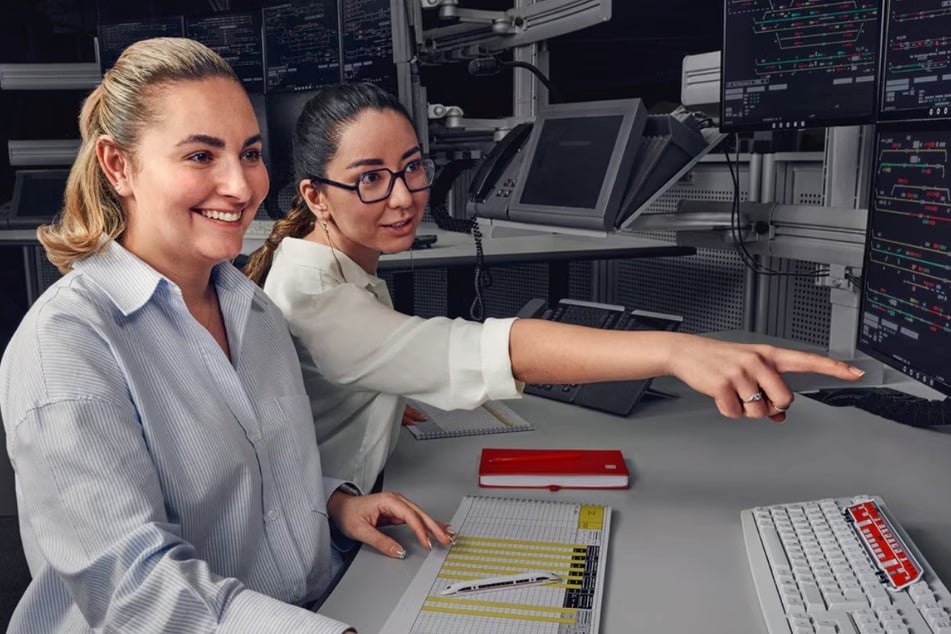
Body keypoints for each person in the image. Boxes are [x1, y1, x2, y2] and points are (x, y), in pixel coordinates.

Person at [0, 38, 451, 634]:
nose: (240, 187)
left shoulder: (251, 309)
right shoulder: (66, 345)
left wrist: (335, 504)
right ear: (118, 166)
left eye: (251, 152)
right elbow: (134, 591)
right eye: (199, 156)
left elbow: (247, 472)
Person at [243, 83, 866, 493]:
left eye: (412, 168)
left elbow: (361, 359)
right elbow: (483, 346)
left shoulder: (324, 263)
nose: (404, 197)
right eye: (371, 178)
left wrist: (375, 393)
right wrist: (678, 351)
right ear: (315, 196)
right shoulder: (315, 297)